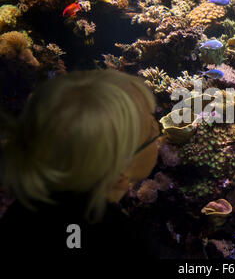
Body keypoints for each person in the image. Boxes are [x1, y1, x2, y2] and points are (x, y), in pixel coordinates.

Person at [0, 69, 162, 259]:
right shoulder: (124, 242)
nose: (159, 128)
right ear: (119, 173)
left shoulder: (20, 216)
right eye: (152, 131)